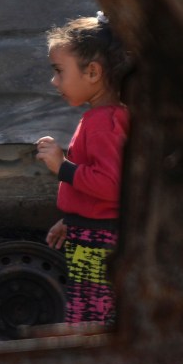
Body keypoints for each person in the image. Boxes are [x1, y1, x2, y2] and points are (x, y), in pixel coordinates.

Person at [35, 16, 130, 327]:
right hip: (91, 232)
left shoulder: (103, 123)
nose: (54, 82)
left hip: (98, 242)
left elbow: (112, 185)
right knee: (90, 316)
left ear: (92, 72)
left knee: (94, 322)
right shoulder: (103, 117)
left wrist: (62, 167)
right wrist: (72, 219)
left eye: (59, 72)